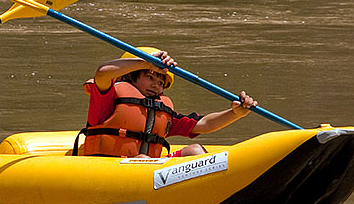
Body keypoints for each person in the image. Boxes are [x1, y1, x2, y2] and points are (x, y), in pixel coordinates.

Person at [76, 47, 257, 158]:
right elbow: (102, 72)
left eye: (161, 82)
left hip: (148, 168)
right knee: (142, 159)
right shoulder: (107, 99)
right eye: (150, 77)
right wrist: (146, 62)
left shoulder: (161, 110)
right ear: (129, 76)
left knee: (194, 150)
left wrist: (235, 113)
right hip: (110, 167)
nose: (156, 85)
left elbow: (203, 124)